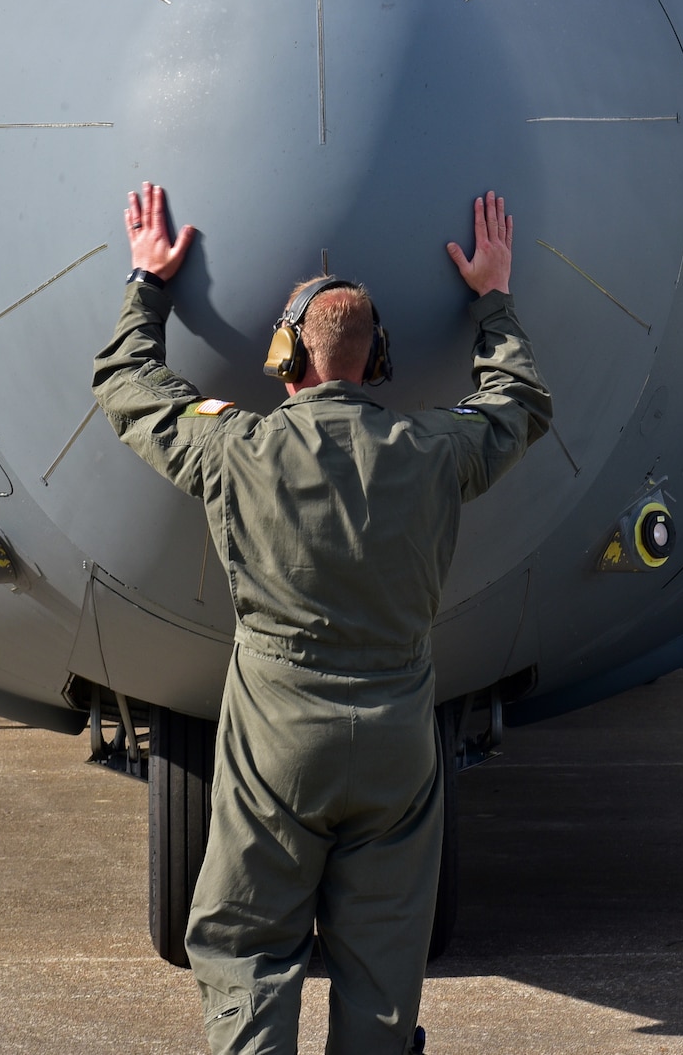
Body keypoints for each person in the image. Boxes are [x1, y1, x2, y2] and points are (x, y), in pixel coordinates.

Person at [93, 183, 552, 1054]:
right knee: (382, 973)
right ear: (378, 360)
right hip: (396, 747)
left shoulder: (235, 446)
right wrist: (492, 299)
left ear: (283, 359)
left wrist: (148, 284)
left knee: (247, 949)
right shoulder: (434, 449)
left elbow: (125, 383)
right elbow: (519, 401)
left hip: (275, 746)